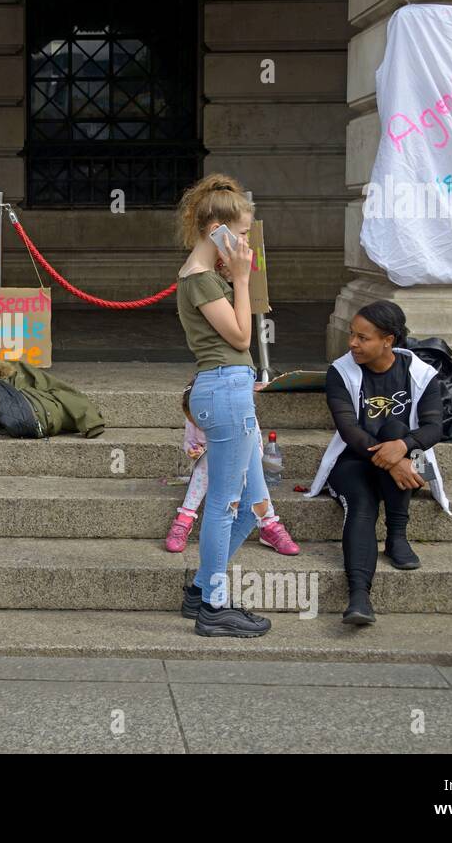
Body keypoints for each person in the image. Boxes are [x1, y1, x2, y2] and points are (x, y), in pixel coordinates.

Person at [306, 301, 450, 625]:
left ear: (389, 339)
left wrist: (402, 448)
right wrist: (394, 460)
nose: (352, 343)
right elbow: (349, 431)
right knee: (361, 503)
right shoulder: (340, 372)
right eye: (352, 335)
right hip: (352, 460)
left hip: (410, 455)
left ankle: (397, 537)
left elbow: (433, 429)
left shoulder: (422, 373)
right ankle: (359, 597)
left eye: (363, 337)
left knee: (397, 429)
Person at [175, 173, 273, 637]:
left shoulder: (204, 276)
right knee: (224, 504)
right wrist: (240, 278)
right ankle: (214, 604)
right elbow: (240, 335)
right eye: (244, 232)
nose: (248, 241)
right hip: (223, 390)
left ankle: (200, 590)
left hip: (231, 388)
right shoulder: (200, 279)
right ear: (218, 230)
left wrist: (235, 276)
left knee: (254, 505)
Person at [165, 382, 299, 556]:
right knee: (206, 460)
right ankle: (185, 518)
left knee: (251, 467)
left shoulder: (242, 415)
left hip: (242, 464)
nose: (198, 425)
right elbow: (190, 442)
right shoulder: (194, 414)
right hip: (210, 467)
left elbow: (256, 451)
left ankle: (268, 524)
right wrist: (192, 449)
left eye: (202, 422)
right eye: (194, 422)